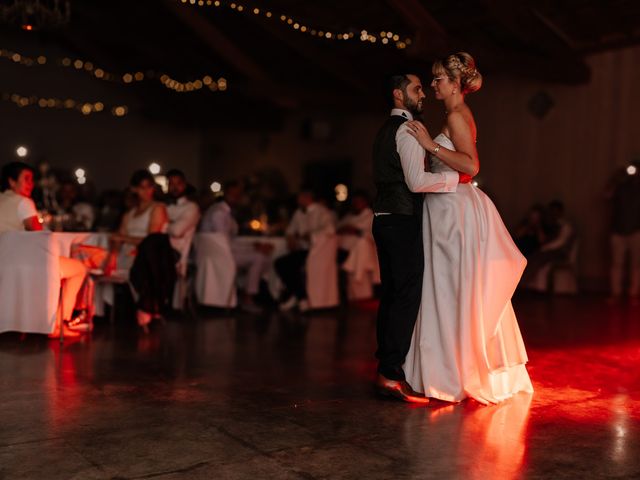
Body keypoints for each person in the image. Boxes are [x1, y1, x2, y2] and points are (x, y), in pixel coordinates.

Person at [404, 52, 533, 404]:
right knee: (445, 287)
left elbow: (471, 166)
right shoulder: (452, 115)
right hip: (444, 207)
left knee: (451, 288)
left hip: (453, 209)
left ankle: (453, 372)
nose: (433, 84)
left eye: (439, 79)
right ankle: (445, 367)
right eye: (432, 79)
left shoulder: (459, 116)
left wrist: (430, 146)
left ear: (456, 84)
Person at [371, 74, 464, 403]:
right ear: (398, 94)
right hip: (401, 220)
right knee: (406, 296)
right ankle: (392, 374)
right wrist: (454, 179)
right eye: (416, 89)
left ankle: (385, 369)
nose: (423, 93)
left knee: (393, 294)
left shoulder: (385, 129)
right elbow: (416, 182)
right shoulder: (407, 130)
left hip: (384, 219)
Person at [0, 161, 88, 338]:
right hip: (25, 263)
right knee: (79, 269)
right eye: (27, 179)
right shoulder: (23, 202)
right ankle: (58, 324)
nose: (31, 184)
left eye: (32, 180)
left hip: (4, 262)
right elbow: (38, 236)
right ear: (12, 182)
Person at [110, 170, 170, 331]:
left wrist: (123, 240)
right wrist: (113, 255)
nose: (146, 191)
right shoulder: (129, 214)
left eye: (149, 187)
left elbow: (153, 240)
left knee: (142, 263)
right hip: (128, 252)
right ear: (135, 189)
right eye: (142, 188)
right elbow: (119, 236)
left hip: (149, 254)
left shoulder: (158, 208)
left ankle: (146, 308)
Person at [200, 180, 270, 313]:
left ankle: (245, 292)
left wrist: (252, 246)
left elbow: (229, 240)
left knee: (261, 255)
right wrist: (253, 249)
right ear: (226, 193)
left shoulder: (225, 212)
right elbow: (223, 243)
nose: (236, 198)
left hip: (218, 253)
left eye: (238, 195)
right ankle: (247, 298)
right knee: (259, 257)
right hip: (219, 255)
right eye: (233, 194)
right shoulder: (219, 213)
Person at [275, 187, 335, 312]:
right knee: (280, 263)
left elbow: (329, 230)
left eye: (300, 197)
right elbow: (290, 230)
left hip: (317, 251)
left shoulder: (322, 211)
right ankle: (300, 295)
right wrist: (290, 237)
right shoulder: (299, 212)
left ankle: (300, 297)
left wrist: (310, 235)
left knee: (290, 265)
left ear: (307, 197)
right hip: (303, 250)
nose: (298, 200)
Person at [521, 200, 575, 289]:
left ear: (560, 211)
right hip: (549, 251)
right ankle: (524, 283)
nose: (553, 213)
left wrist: (544, 248)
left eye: (555, 211)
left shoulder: (565, 226)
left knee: (536, 258)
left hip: (559, 252)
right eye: (551, 211)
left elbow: (560, 242)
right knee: (533, 258)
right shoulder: (552, 224)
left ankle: (523, 283)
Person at [606, 164, 640, 304]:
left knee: (636, 265)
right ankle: (616, 293)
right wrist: (617, 177)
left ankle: (633, 294)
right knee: (616, 264)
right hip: (617, 231)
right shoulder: (620, 186)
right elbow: (607, 194)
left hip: (637, 231)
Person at [165, 169, 200, 277]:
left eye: (178, 183)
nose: (175, 187)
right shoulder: (164, 206)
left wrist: (161, 223)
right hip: (162, 254)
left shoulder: (192, 207)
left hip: (179, 258)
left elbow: (176, 231)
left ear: (184, 185)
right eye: (171, 184)